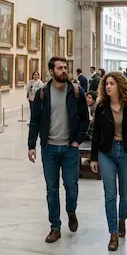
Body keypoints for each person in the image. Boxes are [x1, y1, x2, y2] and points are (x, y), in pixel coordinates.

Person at [27, 56, 88, 244]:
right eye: (60, 68)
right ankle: (55, 227)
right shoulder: (43, 93)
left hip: (70, 148)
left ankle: (71, 211)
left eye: (65, 67)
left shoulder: (76, 91)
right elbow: (35, 120)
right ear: (51, 71)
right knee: (51, 189)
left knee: (71, 185)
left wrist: (77, 141)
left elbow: (85, 119)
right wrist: (31, 145)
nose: (64, 71)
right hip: (49, 149)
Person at [90, 72, 127, 252]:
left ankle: (122, 219)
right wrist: (94, 157)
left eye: (112, 83)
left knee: (125, 194)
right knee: (110, 194)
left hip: (126, 153)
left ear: (120, 86)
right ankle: (113, 233)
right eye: (106, 83)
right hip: (106, 153)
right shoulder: (101, 107)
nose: (108, 86)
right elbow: (96, 133)